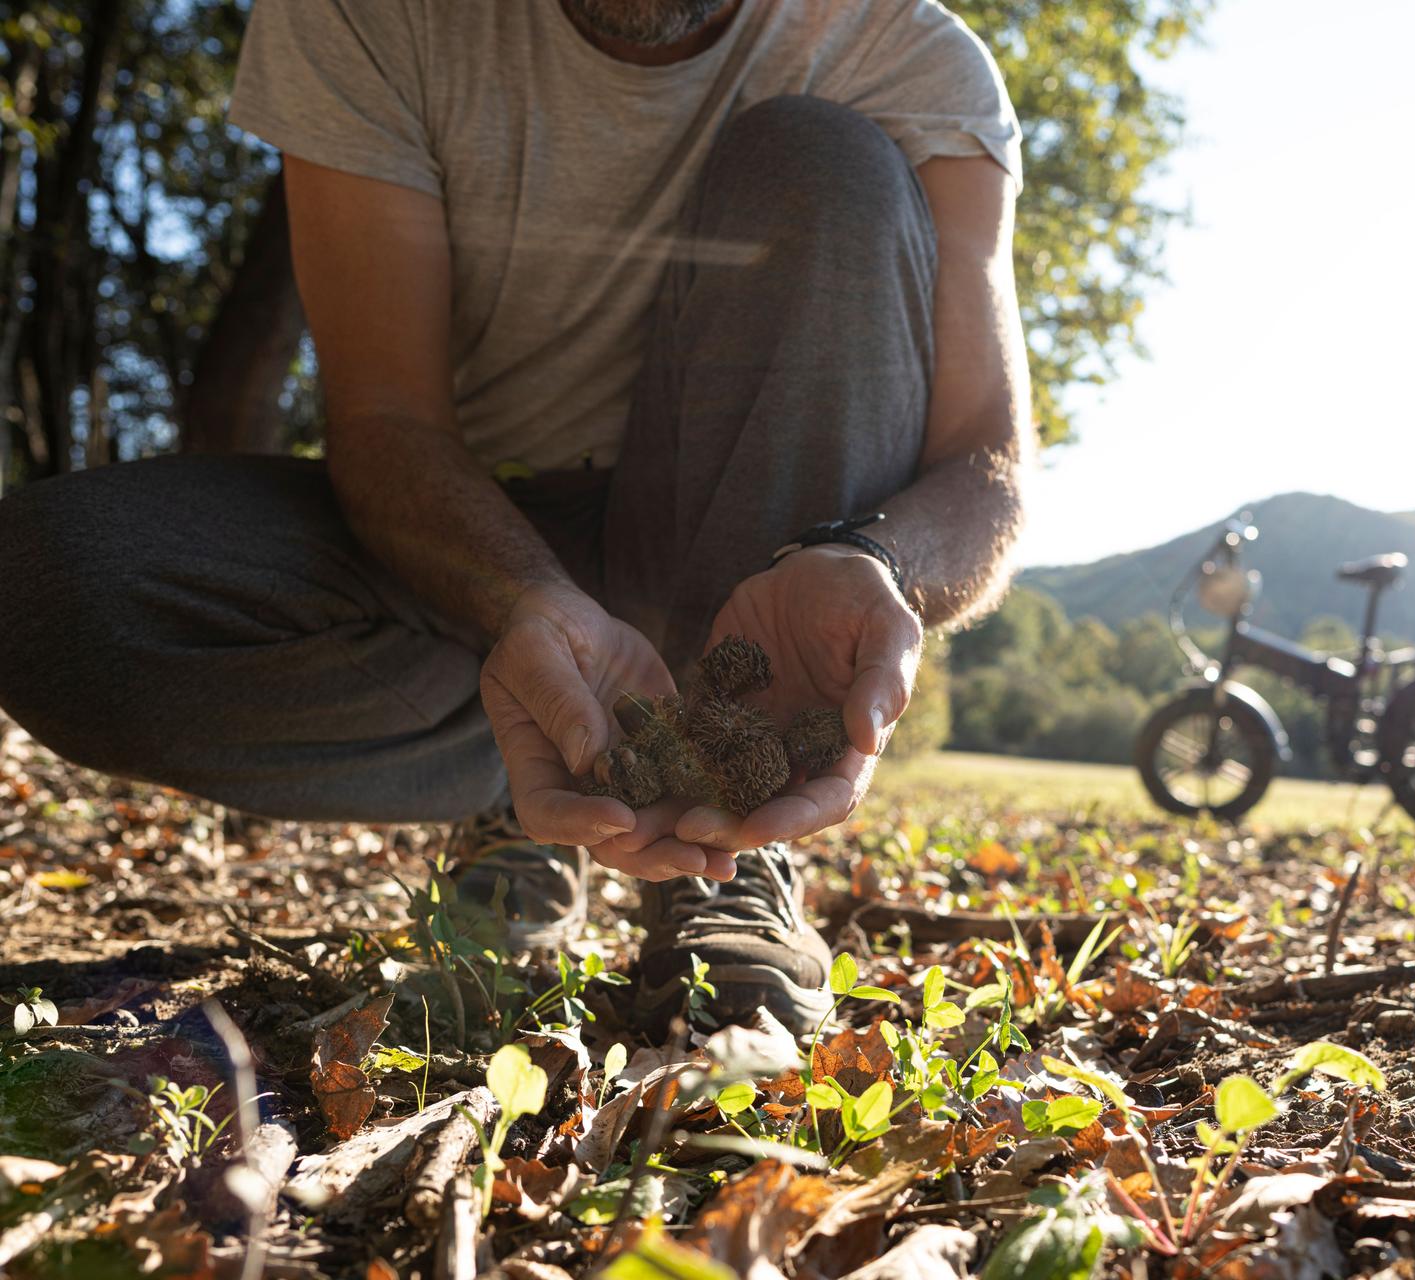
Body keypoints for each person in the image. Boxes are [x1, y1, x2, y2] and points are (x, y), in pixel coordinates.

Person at [0, 0, 1031, 1036]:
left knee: (821, 157)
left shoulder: (908, 58)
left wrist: (873, 559)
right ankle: (546, 756)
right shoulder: (360, 16)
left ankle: (726, 820)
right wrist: (528, 602)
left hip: (741, 556)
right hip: (464, 550)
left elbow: (986, 464)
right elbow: (386, 417)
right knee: (45, 588)